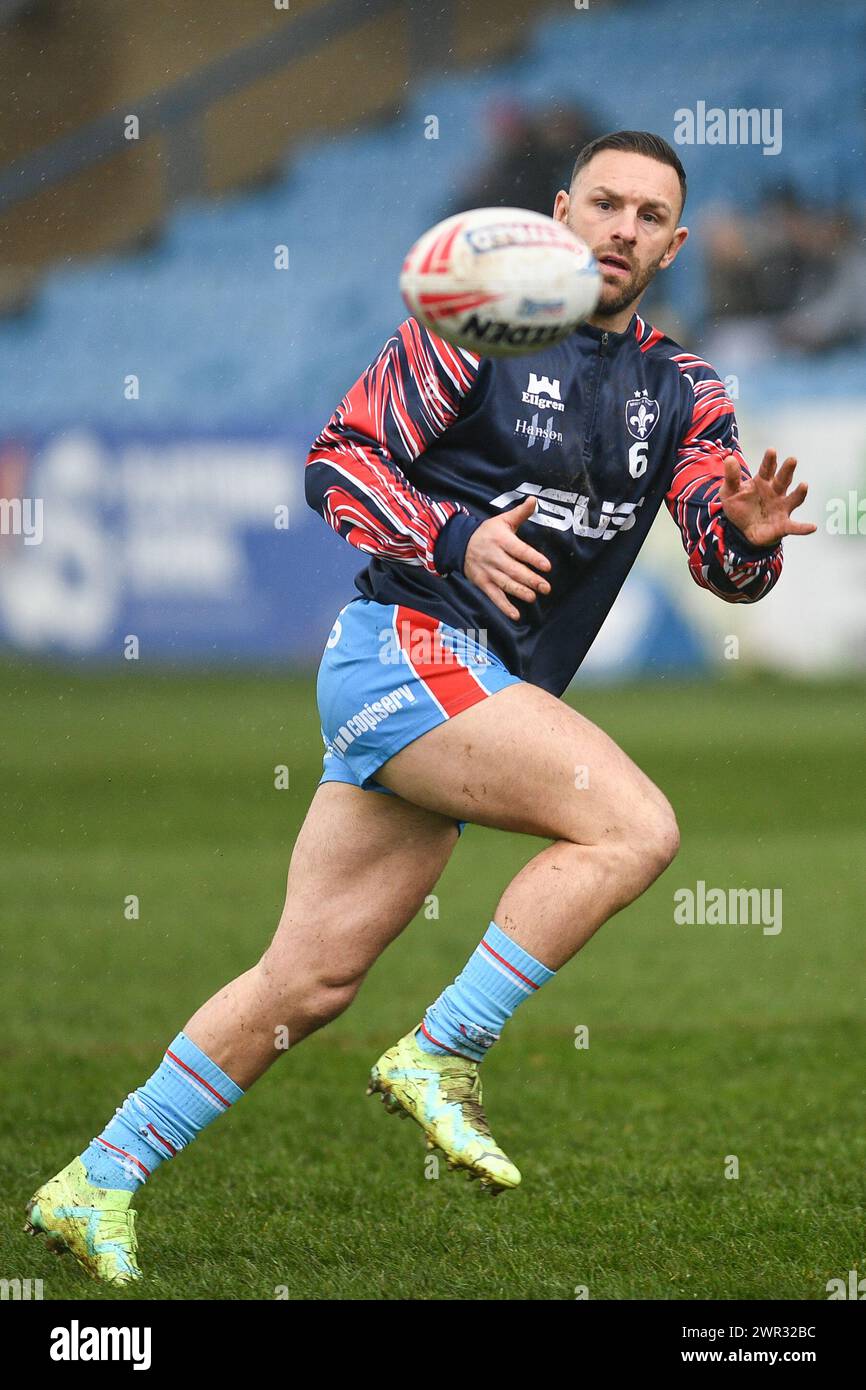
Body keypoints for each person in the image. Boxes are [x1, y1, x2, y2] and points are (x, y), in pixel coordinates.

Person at [25, 130, 815, 1284]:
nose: (621, 229)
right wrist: (454, 535)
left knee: (307, 982)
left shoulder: (683, 390)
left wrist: (745, 545)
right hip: (406, 648)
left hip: (474, 692)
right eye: (603, 203)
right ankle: (443, 1051)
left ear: (673, 247)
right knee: (632, 825)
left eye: (649, 217)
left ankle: (95, 1178)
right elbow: (338, 461)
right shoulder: (474, 327)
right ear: (559, 208)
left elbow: (714, 543)